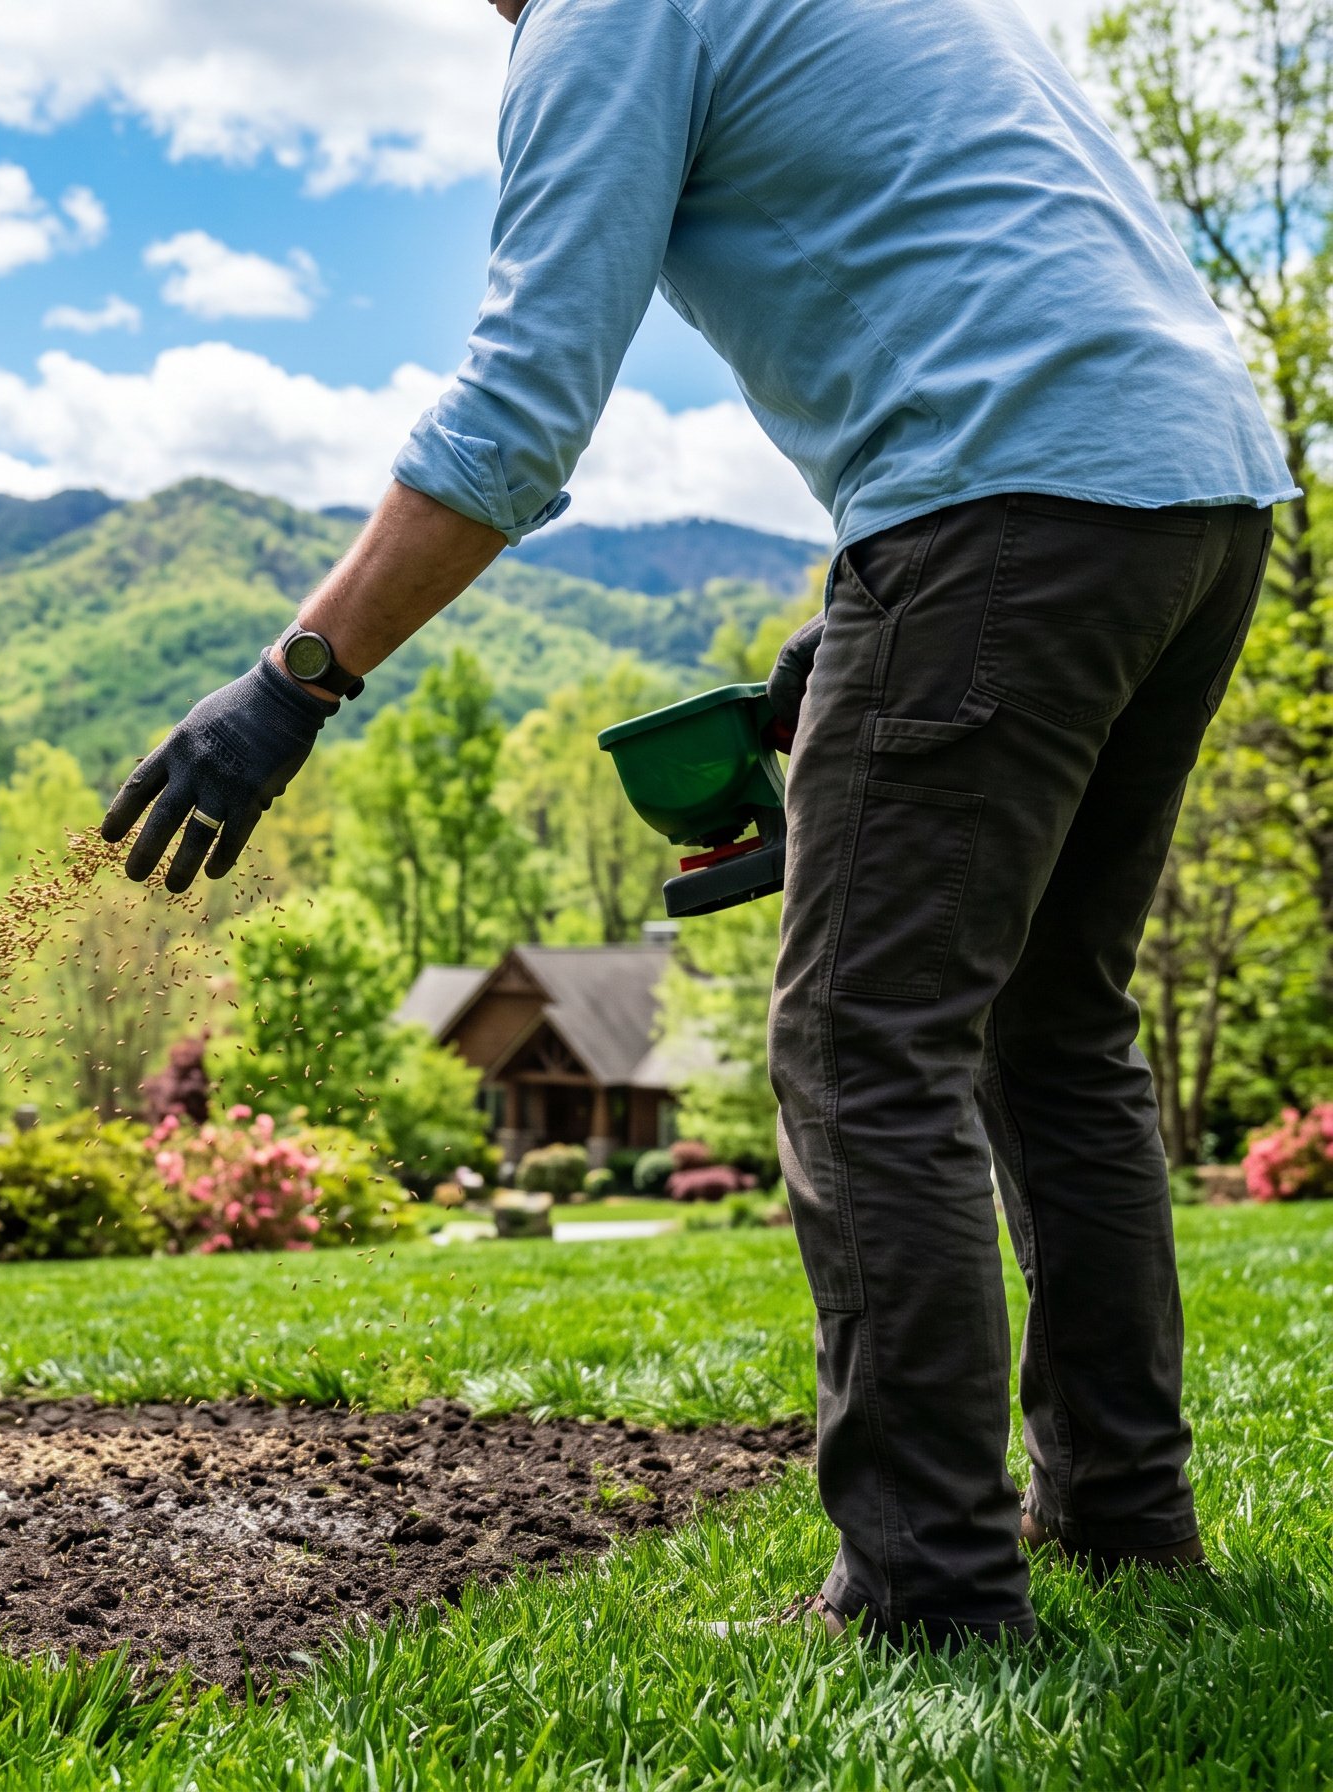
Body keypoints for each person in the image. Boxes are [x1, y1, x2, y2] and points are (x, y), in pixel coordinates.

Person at [101, 0, 1291, 1647]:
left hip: (1004, 495)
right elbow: (996, 258)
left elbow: (521, 407)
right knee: (1052, 1031)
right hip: (1196, 494)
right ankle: (1123, 1523)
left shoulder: (603, 17)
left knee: (864, 1048)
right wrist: (865, 627)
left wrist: (294, 683)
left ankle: (927, 1591)